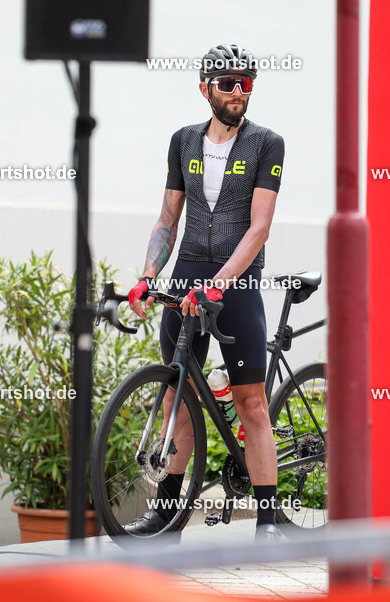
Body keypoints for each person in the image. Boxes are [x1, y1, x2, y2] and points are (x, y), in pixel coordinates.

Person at [126, 43, 285, 542]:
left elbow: (259, 228)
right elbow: (167, 218)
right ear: (205, 89)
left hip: (238, 279)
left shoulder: (267, 144)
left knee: (251, 402)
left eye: (246, 83)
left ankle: (267, 523)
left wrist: (218, 285)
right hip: (188, 269)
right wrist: (148, 276)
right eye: (228, 83)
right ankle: (166, 516)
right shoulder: (183, 141)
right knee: (177, 393)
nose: (238, 92)